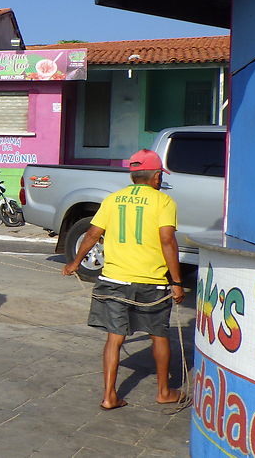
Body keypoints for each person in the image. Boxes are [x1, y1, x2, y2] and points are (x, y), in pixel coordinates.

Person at [63, 149, 185, 410]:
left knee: (114, 338)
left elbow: (92, 234)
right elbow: (167, 241)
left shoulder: (113, 199)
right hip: (151, 281)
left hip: (114, 279)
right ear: (154, 177)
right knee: (159, 335)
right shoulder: (164, 202)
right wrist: (176, 281)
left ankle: (109, 397)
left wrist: (75, 263)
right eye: (159, 176)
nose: (160, 180)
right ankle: (163, 392)